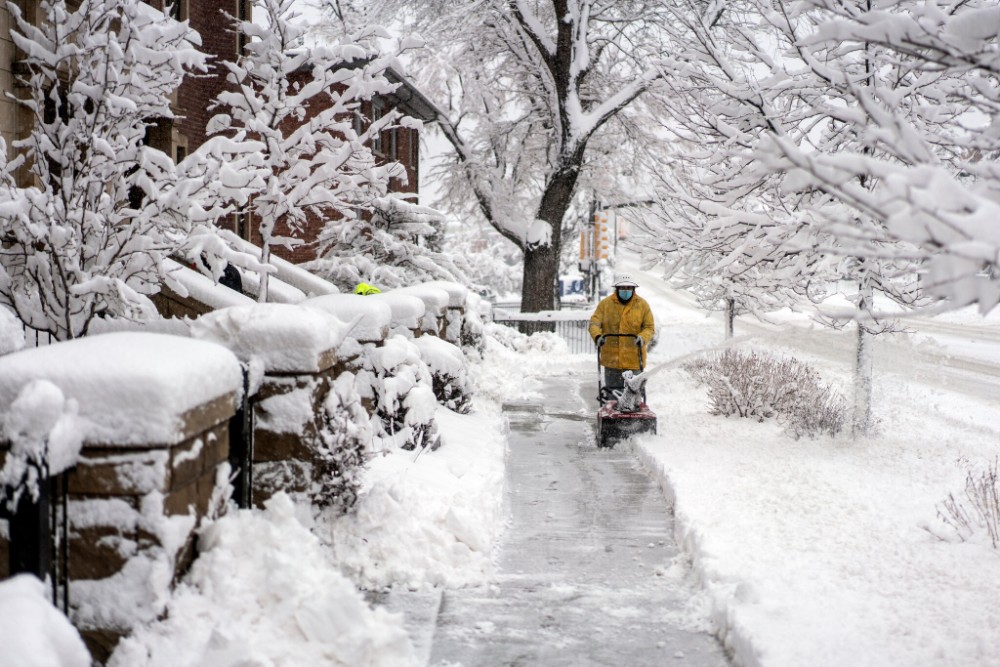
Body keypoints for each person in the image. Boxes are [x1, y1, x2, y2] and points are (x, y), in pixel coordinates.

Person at [588, 274, 655, 396]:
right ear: (617, 289)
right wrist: (597, 336)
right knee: (612, 393)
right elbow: (594, 323)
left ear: (633, 289)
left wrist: (642, 337)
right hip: (611, 360)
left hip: (634, 360)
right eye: (623, 288)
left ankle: (633, 410)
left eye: (629, 288)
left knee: (634, 394)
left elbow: (649, 327)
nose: (626, 291)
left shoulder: (642, 305)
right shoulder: (605, 305)